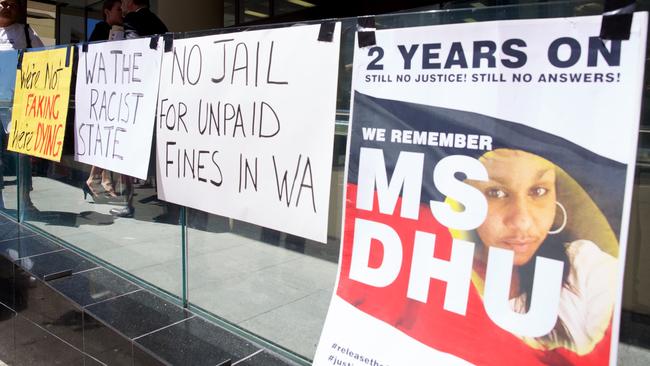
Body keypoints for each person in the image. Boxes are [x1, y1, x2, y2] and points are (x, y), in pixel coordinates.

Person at [466, 148, 617, 356]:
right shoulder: (438, 270)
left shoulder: (584, 266)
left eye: (538, 191)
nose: (522, 221)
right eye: (496, 193)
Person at [108, 0, 166, 218]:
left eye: (123, 2)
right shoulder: (157, 21)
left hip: (135, 95)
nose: (121, 6)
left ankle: (127, 203)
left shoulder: (132, 20)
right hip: (155, 93)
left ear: (130, 3)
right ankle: (167, 203)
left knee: (128, 149)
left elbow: (132, 51)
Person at [0, 0, 43, 210]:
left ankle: (25, 199)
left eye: (11, 4)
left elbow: (45, 59)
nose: (7, 7)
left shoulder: (26, 32)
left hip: (19, 105)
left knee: (22, 155)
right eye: (2, 3)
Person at [83, 0, 122, 202]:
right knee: (107, 137)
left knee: (111, 138)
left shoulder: (122, 29)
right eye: (118, 9)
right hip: (104, 91)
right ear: (107, 12)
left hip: (115, 90)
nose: (122, 12)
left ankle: (103, 179)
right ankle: (97, 179)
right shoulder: (100, 29)